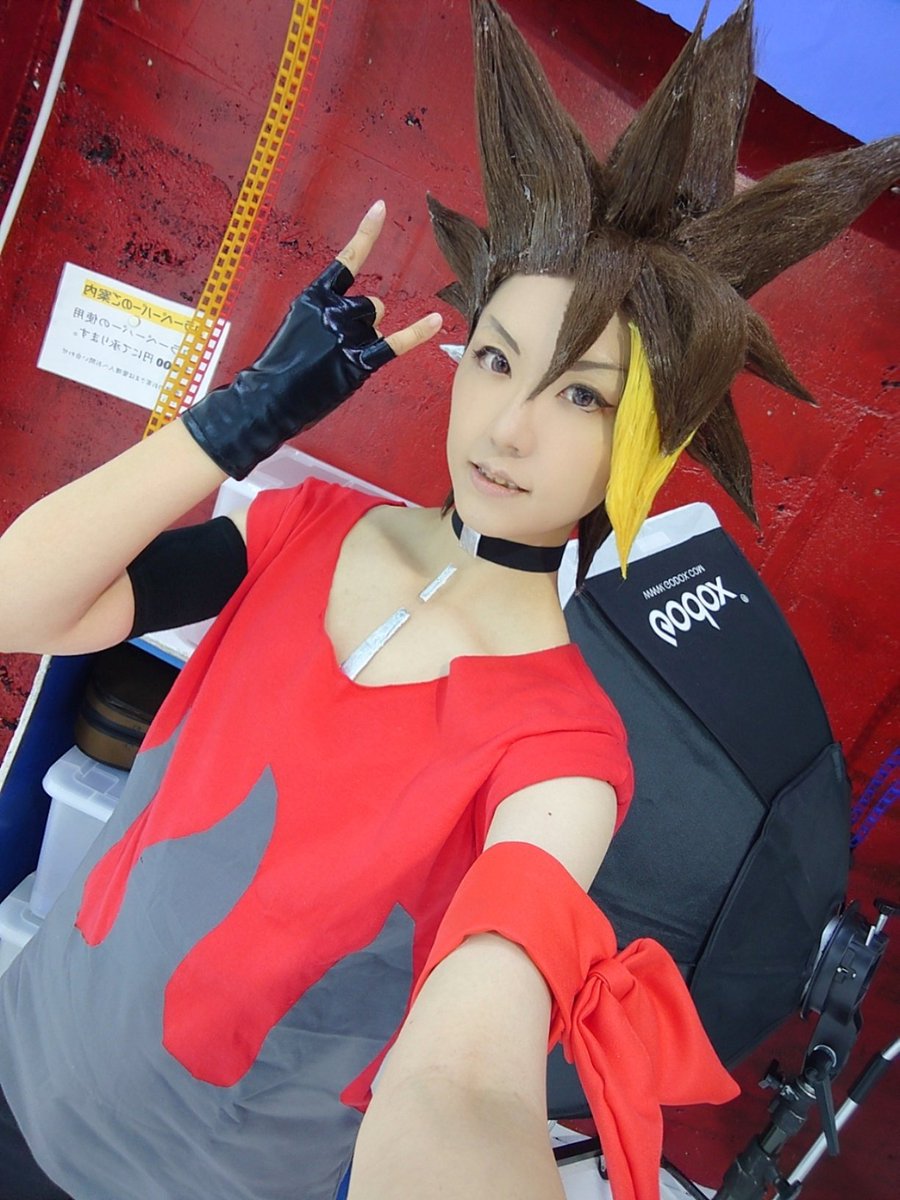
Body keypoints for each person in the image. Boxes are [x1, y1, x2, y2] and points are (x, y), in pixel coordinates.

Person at [0, 3, 896, 1199]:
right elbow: (20, 603)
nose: (509, 426)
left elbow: (466, 1074)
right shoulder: (300, 529)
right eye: (496, 358)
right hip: (18, 1049)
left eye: (582, 396)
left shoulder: (563, 758)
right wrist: (230, 424)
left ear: (648, 439)